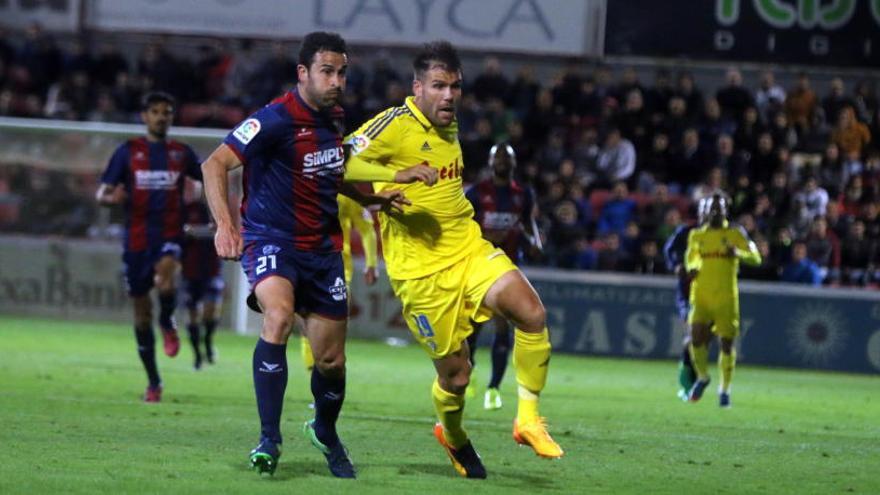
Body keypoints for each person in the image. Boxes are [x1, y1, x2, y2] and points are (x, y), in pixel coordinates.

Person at [200, 32, 434, 479]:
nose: (337, 80)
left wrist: (369, 198)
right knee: (279, 318)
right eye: (328, 71)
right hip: (272, 241)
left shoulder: (336, 118)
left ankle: (324, 431)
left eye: (342, 72)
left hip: (324, 249)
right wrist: (226, 226)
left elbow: (332, 169)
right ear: (303, 73)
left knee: (331, 362)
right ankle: (269, 439)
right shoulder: (273, 119)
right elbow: (214, 164)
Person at [344, 41, 563, 479]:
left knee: (532, 313)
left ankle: (527, 419)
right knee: (456, 377)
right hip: (420, 273)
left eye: (455, 86)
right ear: (418, 87)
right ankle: (453, 435)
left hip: (468, 248)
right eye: (439, 86)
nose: (449, 95)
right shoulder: (394, 123)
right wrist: (392, 177)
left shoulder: (449, 122)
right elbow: (339, 162)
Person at [95, 91, 202, 402]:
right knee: (141, 314)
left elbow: (209, 175)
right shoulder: (128, 152)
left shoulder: (182, 153)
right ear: (144, 116)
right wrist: (110, 198)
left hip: (170, 233)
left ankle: (167, 320)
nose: (161, 117)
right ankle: (154, 381)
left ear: (172, 117)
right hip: (136, 241)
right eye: (155, 111)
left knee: (166, 276)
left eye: (166, 112)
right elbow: (103, 193)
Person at [464, 143, 541, 411]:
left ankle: (494, 388)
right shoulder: (476, 192)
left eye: (506, 157)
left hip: (508, 268)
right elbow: (463, 226)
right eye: (497, 157)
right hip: (478, 266)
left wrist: (535, 241)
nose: (501, 162)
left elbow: (529, 223)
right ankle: (469, 373)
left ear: (513, 163)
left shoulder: (522, 194)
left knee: (502, 326)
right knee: (472, 327)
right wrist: (485, 239)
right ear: (489, 161)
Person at [685, 194, 761, 408]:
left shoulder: (735, 233)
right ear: (706, 211)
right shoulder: (696, 235)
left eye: (719, 209)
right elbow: (691, 257)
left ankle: (725, 389)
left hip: (726, 297)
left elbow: (756, 258)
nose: (715, 212)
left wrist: (737, 253)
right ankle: (702, 377)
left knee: (726, 344)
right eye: (712, 209)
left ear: (726, 211)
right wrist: (692, 267)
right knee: (696, 336)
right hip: (701, 294)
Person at [300, 192, 379, 380]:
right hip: (304, 263)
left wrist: (372, 263)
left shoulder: (345, 192)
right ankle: (316, 378)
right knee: (305, 324)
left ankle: (326, 381)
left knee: (333, 329)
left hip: (338, 269)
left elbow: (366, 228)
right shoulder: (300, 183)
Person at [662, 198, 707, 402]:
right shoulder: (686, 232)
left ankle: (693, 379)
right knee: (692, 333)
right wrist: (677, 265)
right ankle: (687, 383)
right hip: (689, 293)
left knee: (702, 339)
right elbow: (670, 250)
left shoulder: (723, 236)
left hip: (713, 293)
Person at [181, 195, 223, 370]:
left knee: (209, 312)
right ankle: (197, 355)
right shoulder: (187, 209)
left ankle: (207, 341)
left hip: (212, 269)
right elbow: (176, 233)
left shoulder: (220, 208)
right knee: (192, 314)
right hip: (190, 271)